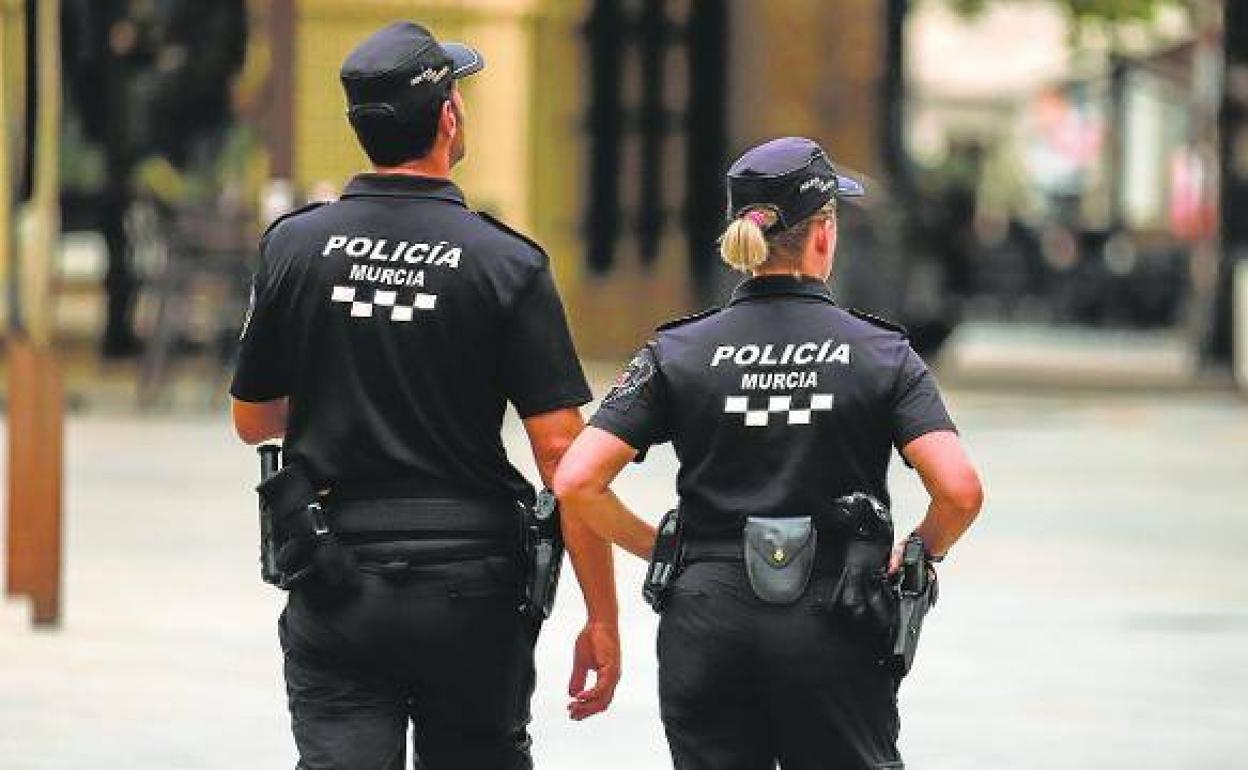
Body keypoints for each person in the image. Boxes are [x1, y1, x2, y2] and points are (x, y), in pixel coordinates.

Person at [229, 22, 620, 770]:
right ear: (448, 118)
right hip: (470, 589)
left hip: (334, 572)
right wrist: (601, 615)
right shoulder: (506, 263)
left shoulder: (295, 247)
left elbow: (255, 421)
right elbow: (565, 455)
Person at [554, 136, 984, 770]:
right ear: (823, 231)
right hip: (834, 615)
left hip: (708, 616)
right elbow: (960, 490)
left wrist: (664, 548)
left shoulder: (679, 352)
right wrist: (923, 547)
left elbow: (577, 480)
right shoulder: (881, 353)